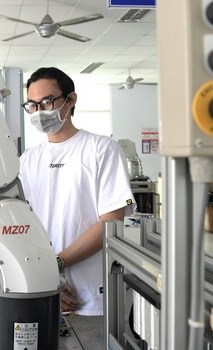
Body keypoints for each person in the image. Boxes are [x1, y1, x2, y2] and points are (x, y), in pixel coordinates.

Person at [18, 67, 136, 316]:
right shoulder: (28, 160)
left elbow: (111, 223)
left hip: (88, 295)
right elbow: (21, 227)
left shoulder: (101, 149)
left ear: (70, 100)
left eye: (47, 102)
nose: (40, 112)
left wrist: (55, 265)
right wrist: (44, 277)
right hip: (41, 287)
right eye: (32, 105)